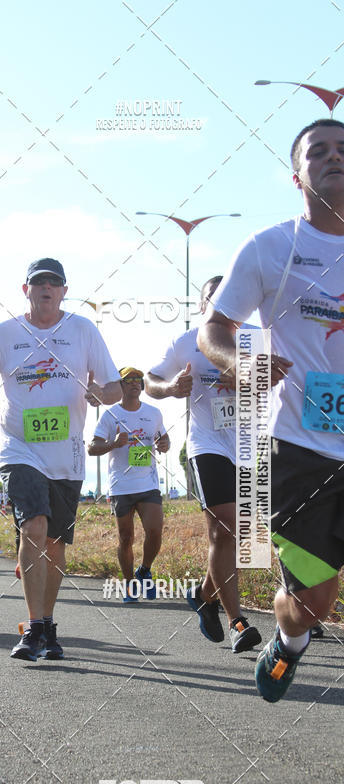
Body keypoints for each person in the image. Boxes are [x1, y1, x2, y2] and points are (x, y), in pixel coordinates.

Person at [198, 119, 344, 701]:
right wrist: (239, 363)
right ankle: (290, 641)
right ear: (297, 175)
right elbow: (216, 327)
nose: (335, 157)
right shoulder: (271, 248)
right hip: (298, 452)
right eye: (320, 152)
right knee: (315, 599)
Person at [0, 257, 121, 661]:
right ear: (26, 291)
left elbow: (115, 388)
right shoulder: (5, 334)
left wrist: (100, 395)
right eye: (39, 283)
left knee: (54, 543)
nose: (47, 288)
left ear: (64, 291)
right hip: (19, 448)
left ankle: (49, 623)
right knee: (33, 527)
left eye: (54, 283)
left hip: (68, 456)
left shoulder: (83, 330)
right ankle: (34, 626)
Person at [145, 278, 263, 654]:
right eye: (215, 299)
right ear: (201, 306)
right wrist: (171, 389)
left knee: (243, 537)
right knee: (224, 529)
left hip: (249, 448)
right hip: (207, 444)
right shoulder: (187, 342)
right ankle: (237, 622)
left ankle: (202, 594)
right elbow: (151, 380)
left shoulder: (259, 337)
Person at [88, 367, 169, 601]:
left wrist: (164, 444)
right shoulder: (110, 415)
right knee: (126, 538)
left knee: (154, 531)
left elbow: (163, 438)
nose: (135, 383)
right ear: (121, 386)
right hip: (121, 486)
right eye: (129, 380)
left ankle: (144, 569)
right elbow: (92, 447)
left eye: (138, 380)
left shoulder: (154, 413)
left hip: (148, 483)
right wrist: (113, 444)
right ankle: (129, 584)